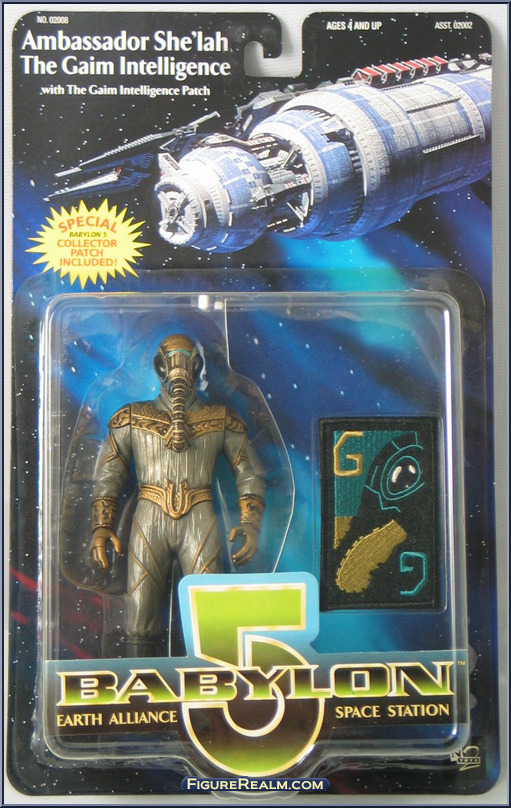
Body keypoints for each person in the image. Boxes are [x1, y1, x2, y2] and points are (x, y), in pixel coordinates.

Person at [90, 334, 266, 657]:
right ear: (159, 367)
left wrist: (250, 523)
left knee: (211, 617)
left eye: (186, 362)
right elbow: (108, 473)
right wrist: (102, 525)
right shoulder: (131, 418)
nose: (178, 370)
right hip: (149, 516)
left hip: (199, 515)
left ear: (197, 366)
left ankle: (213, 679)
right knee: (139, 618)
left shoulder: (221, 419)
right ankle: (140, 680)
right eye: (170, 362)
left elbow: (249, 472)